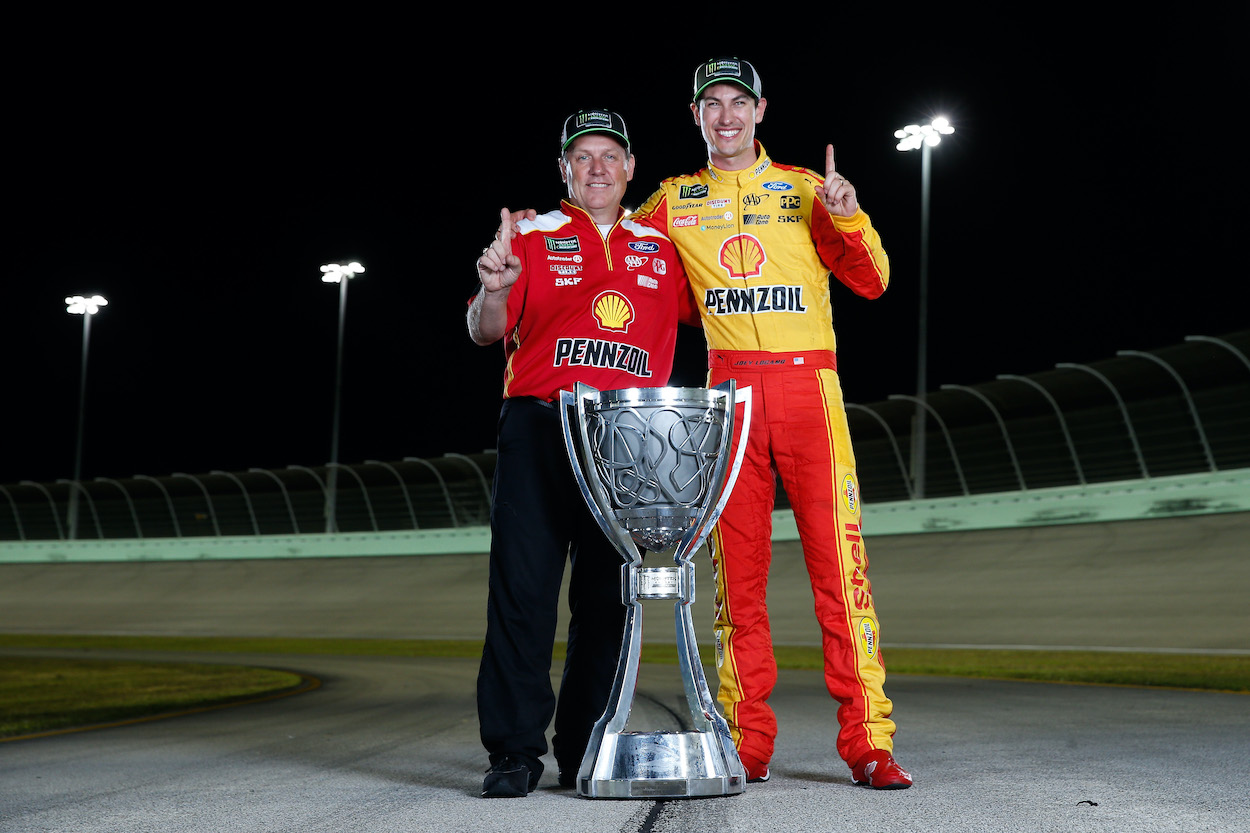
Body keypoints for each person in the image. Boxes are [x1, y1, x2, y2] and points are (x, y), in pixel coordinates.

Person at [628, 57, 913, 789]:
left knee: (841, 574)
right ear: (695, 115)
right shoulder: (672, 200)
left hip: (809, 391)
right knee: (735, 583)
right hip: (729, 402)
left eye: (738, 103)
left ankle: (869, 741)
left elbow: (874, 280)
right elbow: (629, 270)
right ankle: (744, 736)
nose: (725, 116)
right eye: (711, 104)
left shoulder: (809, 188)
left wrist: (847, 215)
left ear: (760, 110)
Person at [468, 108, 694, 798]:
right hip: (539, 424)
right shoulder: (532, 234)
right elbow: (483, 330)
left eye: (609, 156)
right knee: (523, 593)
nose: (596, 167)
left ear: (630, 169)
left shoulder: (662, 245)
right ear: (564, 169)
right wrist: (494, 288)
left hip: (625, 438)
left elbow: (724, 308)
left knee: (608, 601)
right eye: (582, 157)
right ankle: (513, 751)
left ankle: (586, 746)